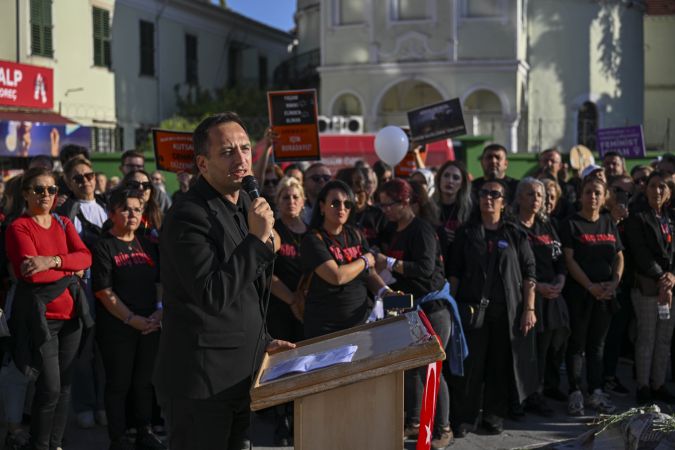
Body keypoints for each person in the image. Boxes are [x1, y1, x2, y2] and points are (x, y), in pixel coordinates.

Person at [154, 112, 294, 450]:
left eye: (245, 149)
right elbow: (213, 294)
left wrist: (263, 341)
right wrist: (256, 241)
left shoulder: (247, 201)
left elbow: (246, 292)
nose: (241, 158)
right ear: (202, 164)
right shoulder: (188, 216)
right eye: (227, 152)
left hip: (242, 376)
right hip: (202, 384)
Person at [5, 167, 93, 450]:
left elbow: (86, 257)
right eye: (39, 189)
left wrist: (51, 261)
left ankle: (56, 443)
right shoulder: (19, 226)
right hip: (40, 319)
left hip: (71, 318)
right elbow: (32, 275)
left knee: (65, 386)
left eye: (52, 190)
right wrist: (69, 269)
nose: (46, 195)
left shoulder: (64, 224)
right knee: (50, 388)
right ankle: (40, 444)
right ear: (26, 193)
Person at [449, 180, 537, 436]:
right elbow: (454, 273)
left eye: (494, 194)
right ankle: (465, 418)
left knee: (499, 366)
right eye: (484, 193)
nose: (488, 197)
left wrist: (529, 309)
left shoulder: (515, 233)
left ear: (504, 202)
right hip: (472, 310)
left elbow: (529, 273)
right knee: (471, 366)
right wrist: (452, 309)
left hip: (506, 311)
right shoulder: (467, 232)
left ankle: (493, 416)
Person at [375, 179, 454, 449]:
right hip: (409, 307)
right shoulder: (392, 229)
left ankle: (443, 428)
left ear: (406, 202)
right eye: (382, 204)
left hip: (433, 307)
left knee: (432, 367)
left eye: (389, 204)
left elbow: (424, 268)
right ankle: (415, 421)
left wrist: (389, 262)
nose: (385, 209)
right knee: (412, 369)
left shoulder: (421, 229)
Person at [92, 188, 165, 450]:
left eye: (136, 208)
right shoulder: (104, 246)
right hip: (118, 327)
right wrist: (131, 319)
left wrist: (158, 310)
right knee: (119, 383)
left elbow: (159, 281)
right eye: (125, 209)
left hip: (149, 324)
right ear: (112, 213)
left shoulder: (147, 243)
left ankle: (144, 431)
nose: (132, 214)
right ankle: (118, 437)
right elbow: (104, 291)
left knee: (144, 382)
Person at [560, 176, 624, 415]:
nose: (593, 196)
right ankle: (575, 391)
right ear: (580, 195)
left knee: (597, 345)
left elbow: (619, 255)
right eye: (588, 192)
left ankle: (595, 391)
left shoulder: (609, 222)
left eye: (597, 192)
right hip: (580, 294)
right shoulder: (570, 223)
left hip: (606, 295)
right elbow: (569, 258)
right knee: (577, 344)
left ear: (604, 195)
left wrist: (614, 282)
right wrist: (590, 286)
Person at [299, 180, 387, 338]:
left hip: (363, 322)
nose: (342, 208)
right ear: (321, 206)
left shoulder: (356, 234)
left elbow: (370, 274)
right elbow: (336, 276)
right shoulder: (312, 240)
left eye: (347, 204)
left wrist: (385, 292)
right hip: (326, 330)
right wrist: (365, 260)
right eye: (335, 203)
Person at [57, 156, 108, 429]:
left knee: (106, 349)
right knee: (83, 350)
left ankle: (103, 404)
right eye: (78, 178)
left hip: (109, 283)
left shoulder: (107, 204)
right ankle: (85, 405)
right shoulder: (66, 212)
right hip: (81, 287)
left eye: (89, 175)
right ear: (68, 182)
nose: (86, 181)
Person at [512, 178, 568, 416]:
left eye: (539, 195)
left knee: (550, 347)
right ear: (519, 198)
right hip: (526, 296)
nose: (536, 199)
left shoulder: (547, 226)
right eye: (530, 194)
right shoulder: (513, 227)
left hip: (551, 294)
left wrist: (561, 279)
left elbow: (559, 257)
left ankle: (543, 389)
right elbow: (514, 268)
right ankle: (526, 395)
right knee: (528, 350)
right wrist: (539, 287)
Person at [623, 171, 675, 405]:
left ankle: (659, 383)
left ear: (669, 192)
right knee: (647, 336)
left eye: (663, 187)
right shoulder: (638, 217)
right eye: (653, 186)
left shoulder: (671, 217)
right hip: (646, 285)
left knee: (664, 338)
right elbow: (640, 253)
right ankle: (643, 385)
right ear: (645, 189)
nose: (658, 191)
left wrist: (672, 277)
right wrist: (661, 277)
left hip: (671, 288)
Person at [267, 177, 306, 446]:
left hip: (307, 308)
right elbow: (267, 274)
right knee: (282, 363)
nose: (290, 202)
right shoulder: (274, 230)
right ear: (277, 201)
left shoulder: (312, 231)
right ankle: (282, 420)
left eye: (295, 197)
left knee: (304, 363)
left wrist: (303, 300)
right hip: (281, 306)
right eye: (285, 197)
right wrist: (293, 300)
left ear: (303, 201)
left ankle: (300, 417)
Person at [433, 161, 472, 275]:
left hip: (462, 269)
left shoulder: (469, 210)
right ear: (439, 179)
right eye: (446, 175)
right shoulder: (429, 208)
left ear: (462, 184)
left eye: (455, 178)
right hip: (436, 268)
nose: (450, 181)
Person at [350, 167, 388, 249]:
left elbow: (387, 246)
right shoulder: (341, 215)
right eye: (352, 193)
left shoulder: (379, 215)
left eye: (359, 193)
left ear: (366, 192)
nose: (356, 198)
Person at [121, 171, 163, 241]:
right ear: (126, 187)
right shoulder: (118, 216)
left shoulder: (160, 216)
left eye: (146, 185)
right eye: (135, 185)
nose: (141, 188)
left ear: (151, 190)